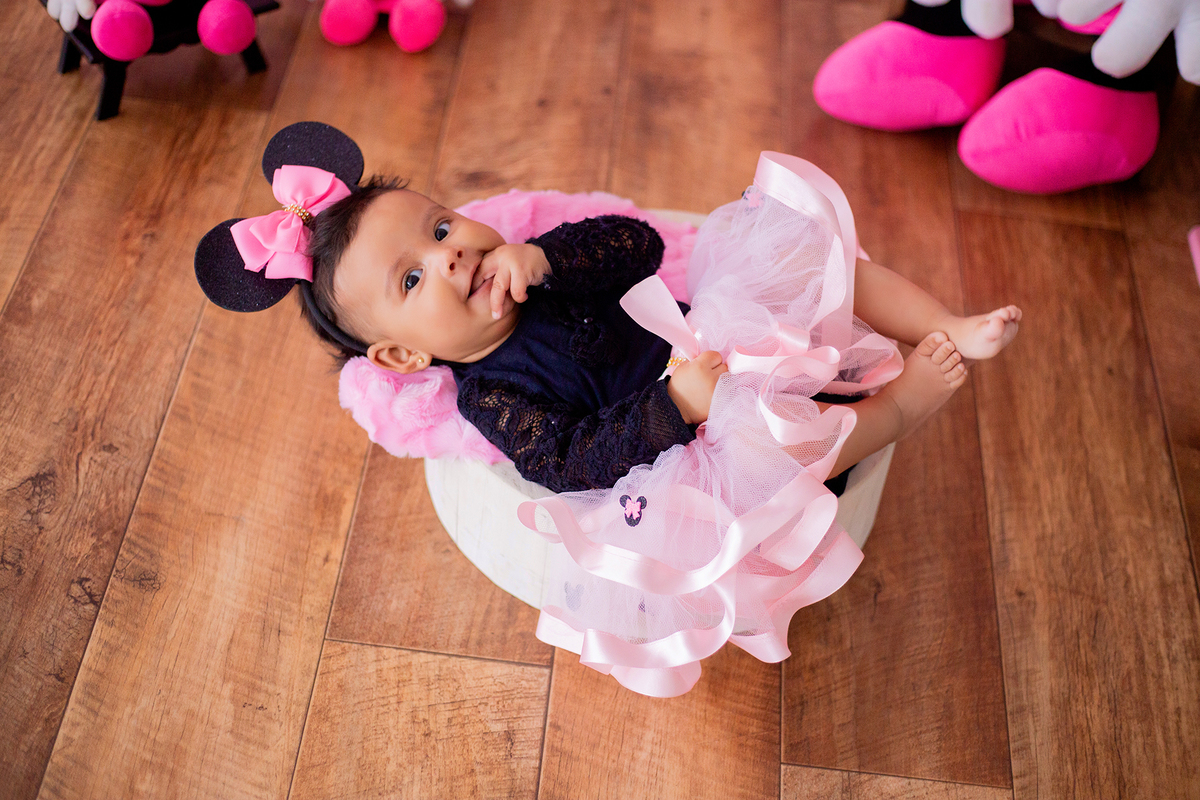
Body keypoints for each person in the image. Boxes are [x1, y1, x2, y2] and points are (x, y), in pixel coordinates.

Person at [195, 125, 1020, 696]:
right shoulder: (492, 395)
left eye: (441, 226)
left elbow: (641, 243)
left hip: (706, 329)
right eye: (412, 280)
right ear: (407, 357)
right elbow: (574, 461)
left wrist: (546, 256)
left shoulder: (539, 264)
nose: (450, 254)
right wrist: (673, 405)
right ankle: (899, 410)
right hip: (688, 437)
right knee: (784, 455)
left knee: (810, 261)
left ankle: (945, 323)